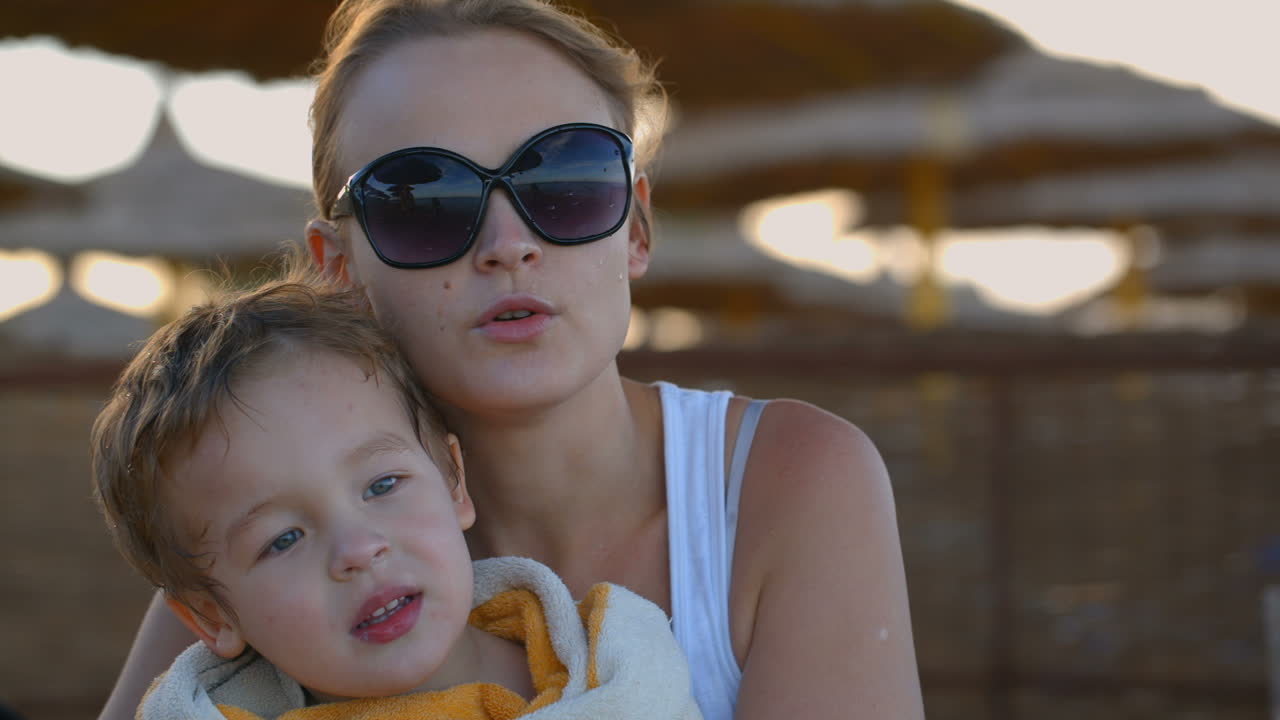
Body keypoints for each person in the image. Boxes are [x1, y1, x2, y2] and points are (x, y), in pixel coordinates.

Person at [96, 1, 925, 718]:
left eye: (566, 177)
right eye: (425, 200)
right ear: (338, 271)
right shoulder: (274, 537)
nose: (508, 244)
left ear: (635, 225)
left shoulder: (783, 486)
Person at [91, 268, 702, 719]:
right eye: (283, 540)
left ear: (453, 481)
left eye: (382, 485)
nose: (358, 549)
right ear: (213, 616)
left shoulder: (615, 669)